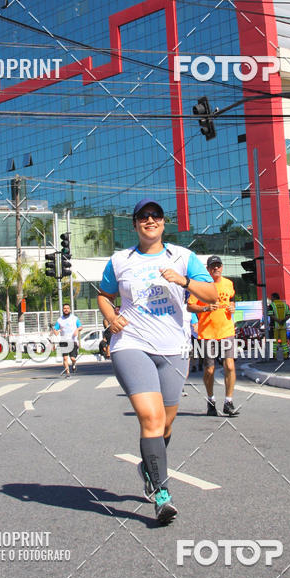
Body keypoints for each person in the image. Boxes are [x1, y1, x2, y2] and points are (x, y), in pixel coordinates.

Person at [98, 199, 217, 525]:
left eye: (156, 216)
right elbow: (104, 294)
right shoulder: (120, 260)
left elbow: (211, 295)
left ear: (164, 223)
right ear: (134, 223)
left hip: (174, 350)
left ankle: (149, 467)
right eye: (143, 217)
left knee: (165, 423)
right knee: (150, 418)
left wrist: (184, 282)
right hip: (131, 345)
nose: (150, 220)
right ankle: (162, 495)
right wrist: (111, 317)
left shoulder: (182, 257)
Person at [188, 256, 239, 418]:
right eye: (212, 267)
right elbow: (190, 306)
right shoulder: (201, 285)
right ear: (208, 269)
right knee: (209, 369)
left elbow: (232, 301)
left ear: (222, 267)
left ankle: (228, 402)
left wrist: (232, 307)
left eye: (218, 266)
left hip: (226, 330)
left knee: (229, 366)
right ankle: (211, 400)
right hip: (207, 333)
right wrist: (206, 308)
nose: (216, 269)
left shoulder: (229, 284)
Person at [53, 303, 82, 376]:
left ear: (70, 309)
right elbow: (55, 330)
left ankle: (74, 363)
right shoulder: (59, 320)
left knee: (72, 358)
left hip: (73, 341)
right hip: (64, 341)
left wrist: (77, 330)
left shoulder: (74, 318)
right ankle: (67, 372)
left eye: (67, 308)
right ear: (62, 310)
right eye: (64, 308)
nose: (66, 310)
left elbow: (80, 327)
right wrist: (55, 331)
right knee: (65, 358)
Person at [269, 292, 290, 360]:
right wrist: (283, 320)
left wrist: (278, 320)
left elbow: (270, 315)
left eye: (271, 297)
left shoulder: (271, 305)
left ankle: (273, 356)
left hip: (275, 326)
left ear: (274, 297)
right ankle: (286, 356)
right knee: (284, 342)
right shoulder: (285, 305)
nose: (271, 299)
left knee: (274, 342)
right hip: (283, 325)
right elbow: (289, 315)